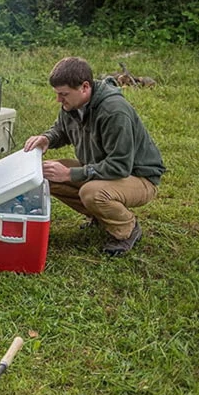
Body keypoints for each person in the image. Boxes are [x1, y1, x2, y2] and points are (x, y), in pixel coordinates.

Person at [23, 56, 165, 256]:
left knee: (92, 193)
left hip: (139, 178)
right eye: (57, 94)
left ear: (85, 87)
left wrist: (71, 174)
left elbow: (120, 166)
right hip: (103, 170)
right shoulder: (72, 105)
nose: (58, 100)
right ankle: (102, 217)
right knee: (46, 173)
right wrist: (47, 139)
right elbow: (61, 130)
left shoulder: (114, 112)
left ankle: (127, 230)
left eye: (63, 94)